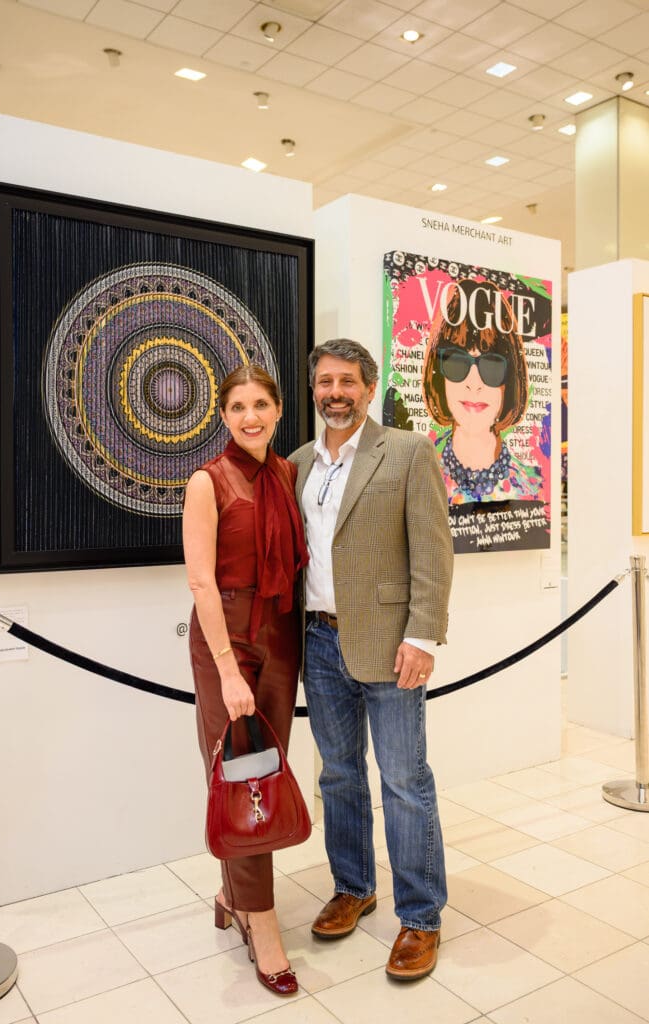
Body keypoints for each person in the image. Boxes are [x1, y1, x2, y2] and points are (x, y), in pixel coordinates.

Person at [289, 339, 453, 981]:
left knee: (404, 781)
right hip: (319, 642)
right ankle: (354, 886)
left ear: (368, 387)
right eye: (325, 382)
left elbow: (433, 551)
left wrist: (424, 636)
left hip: (391, 643)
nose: (336, 392)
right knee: (337, 775)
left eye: (348, 382)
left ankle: (421, 917)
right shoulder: (297, 463)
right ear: (313, 390)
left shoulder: (407, 452)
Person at [183, 364, 308, 997]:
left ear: (278, 409)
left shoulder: (287, 474)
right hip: (227, 639)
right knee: (244, 775)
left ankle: (231, 897)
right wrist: (230, 671)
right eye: (238, 406)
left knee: (264, 774)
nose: (250, 416)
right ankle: (262, 924)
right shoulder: (208, 481)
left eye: (261, 403)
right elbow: (201, 581)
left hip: (282, 636)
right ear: (223, 414)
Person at [422, 278, 542, 503]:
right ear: (438, 376)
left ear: (510, 381)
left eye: (492, 365)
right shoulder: (418, 475)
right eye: (456, 363)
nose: (474, 383)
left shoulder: (533, 489)